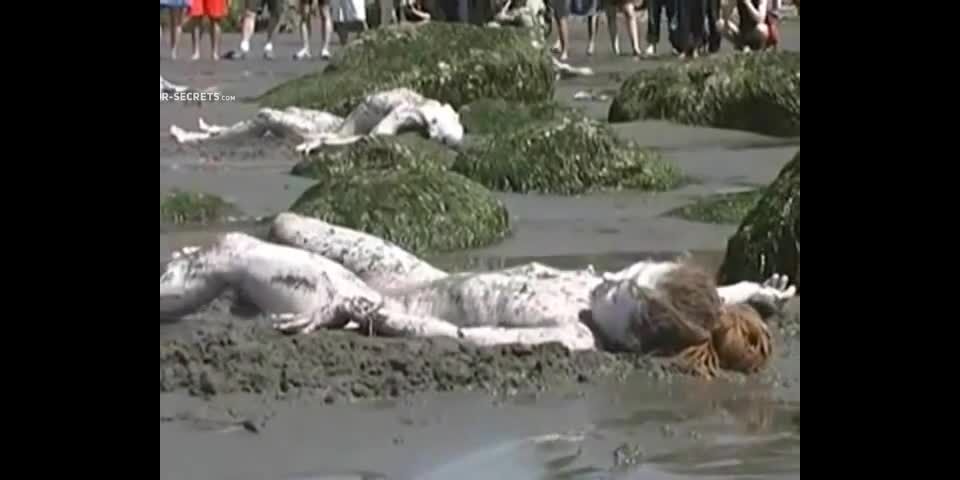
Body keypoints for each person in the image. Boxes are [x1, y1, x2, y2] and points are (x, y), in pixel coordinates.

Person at [160, 213, 796, 378]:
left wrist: (368, 314)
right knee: (288, 228)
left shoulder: (572, 337)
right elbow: (712, 299)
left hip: (383, 303)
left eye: (623, 292)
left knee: (232, 250)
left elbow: (464, 338)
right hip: (419, 274)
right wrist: (757, 291)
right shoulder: (641, 301)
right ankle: (239, 287)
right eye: (633, 270)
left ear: (632, 338)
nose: (611, 279)